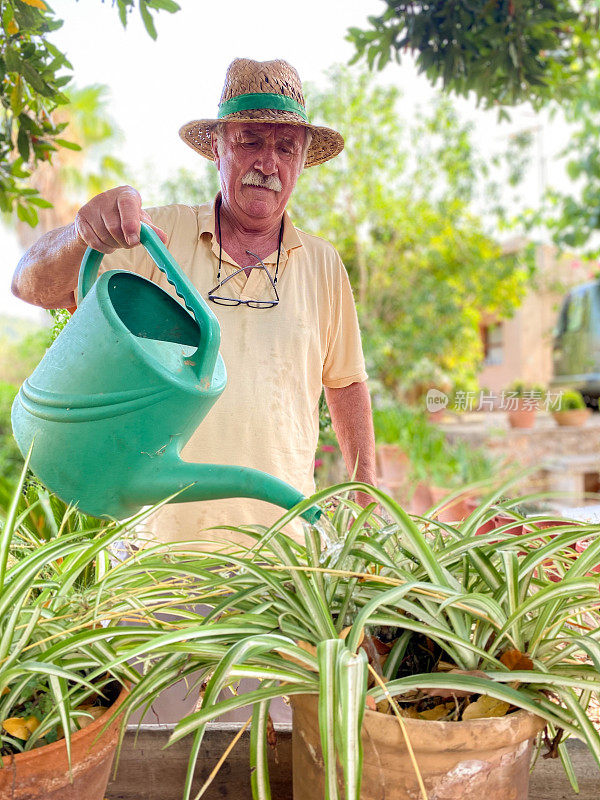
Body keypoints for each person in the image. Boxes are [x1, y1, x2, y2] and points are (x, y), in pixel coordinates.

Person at [12, 57, 376, 552]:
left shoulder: (323, 264)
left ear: (300, 163)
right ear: (219, 148)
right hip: (155, 562)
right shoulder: (154, 236)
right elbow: (31, 285)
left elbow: (347, 381)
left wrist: (367, 498)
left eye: (286, 147)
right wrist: (82, 234)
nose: (269, 163)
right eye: (251, 140)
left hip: (282, 560)